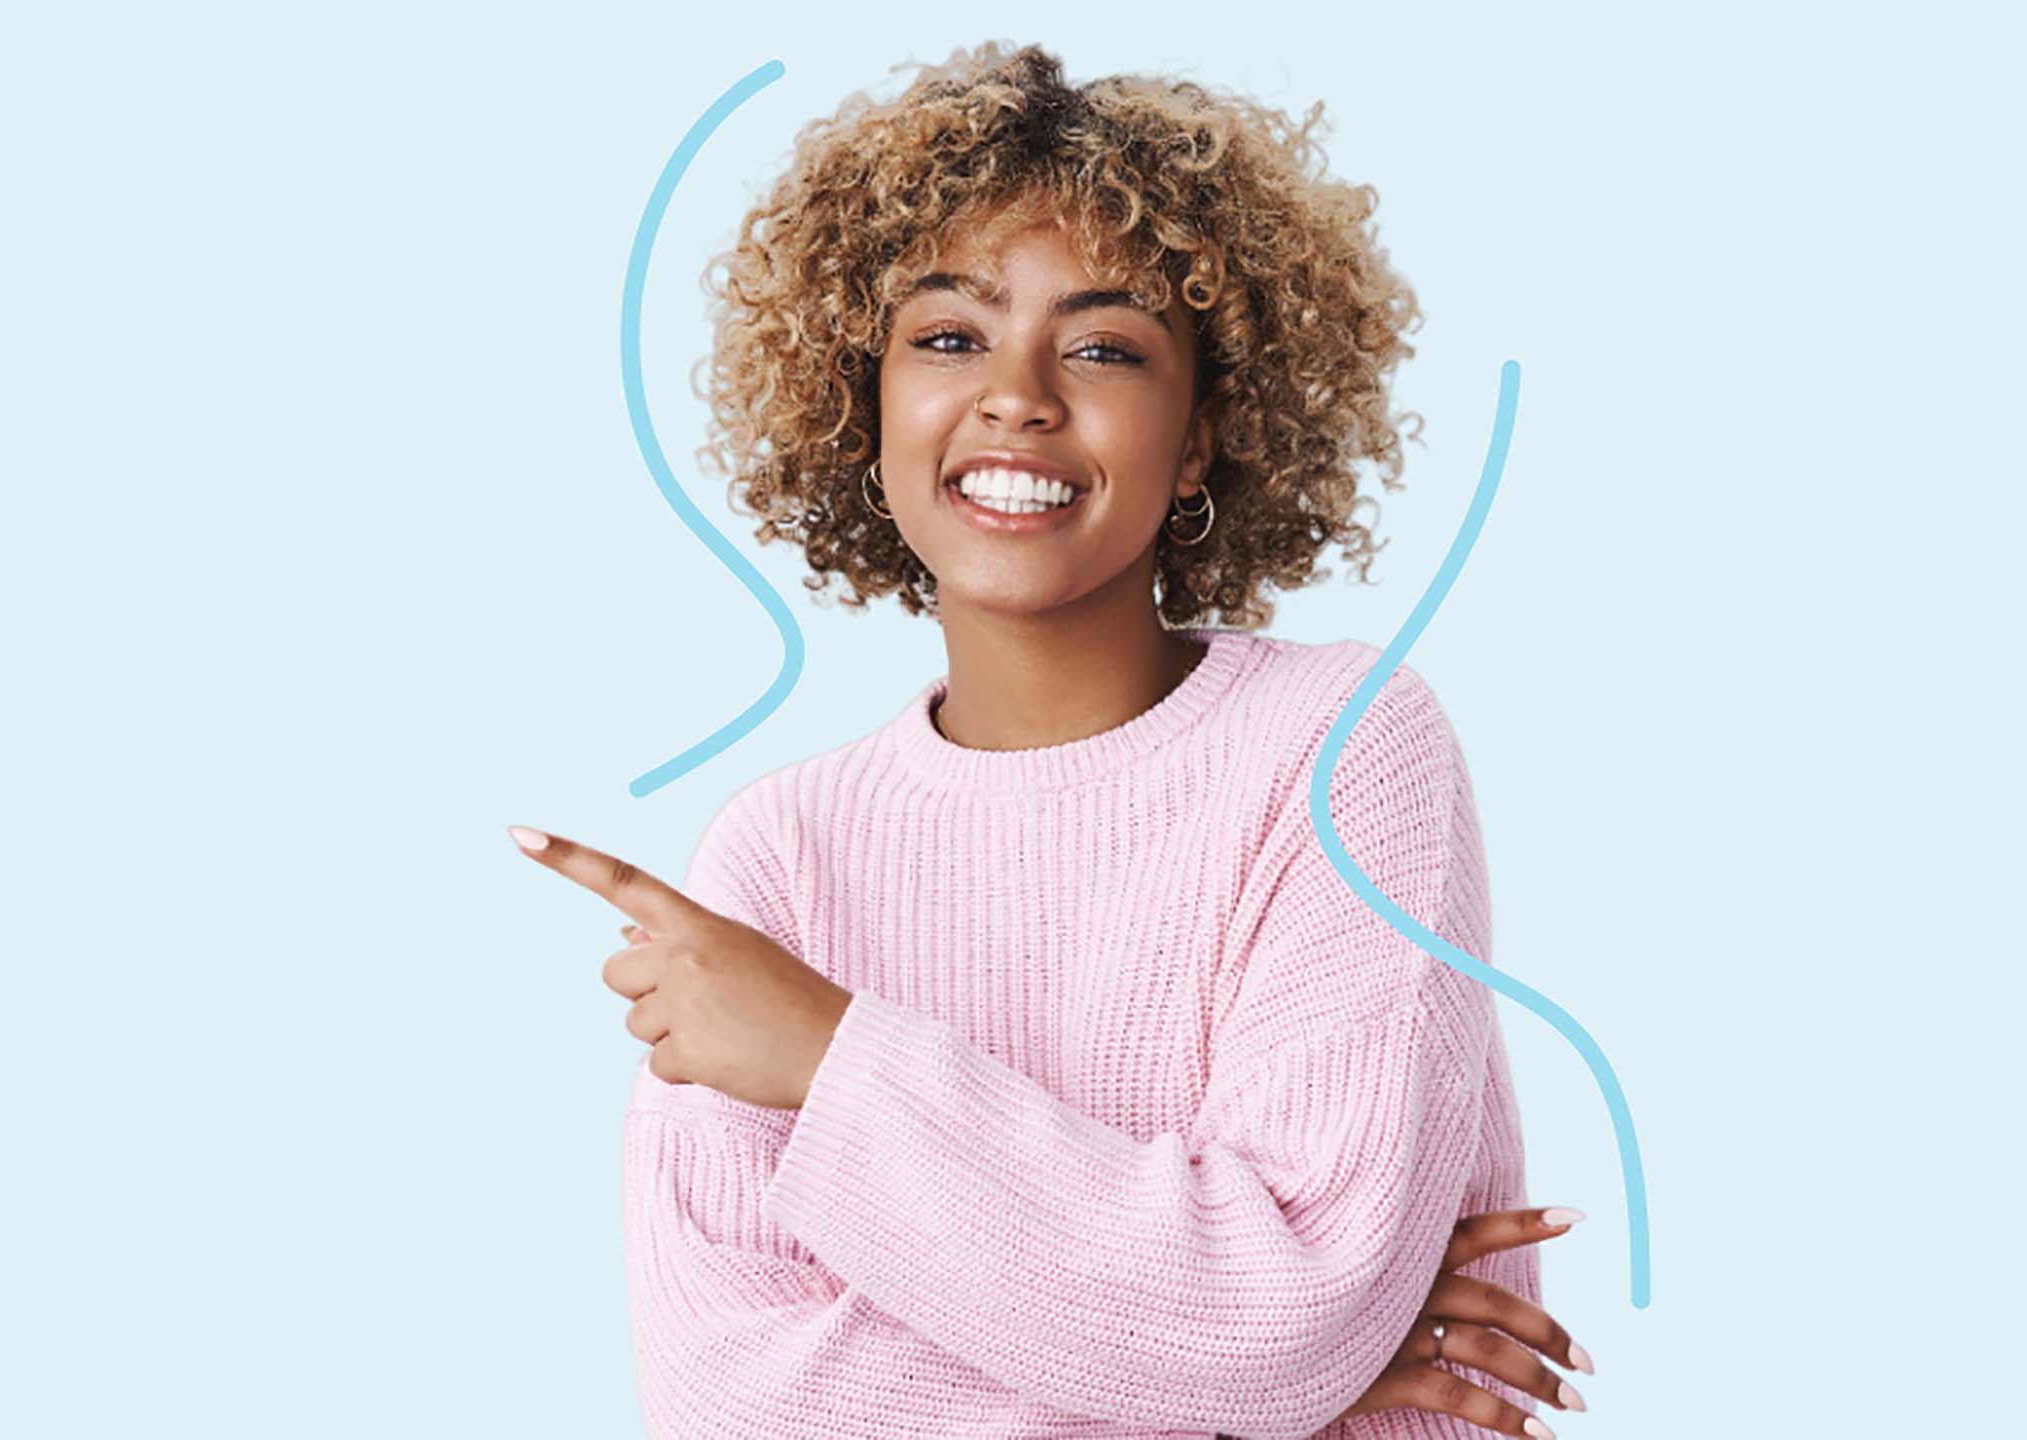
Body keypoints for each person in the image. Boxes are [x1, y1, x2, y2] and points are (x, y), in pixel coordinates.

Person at [617, 40, 1592, 1438]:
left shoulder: (1342, 749)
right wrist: (1243, 1378)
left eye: (1103, 346)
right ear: (865, 400)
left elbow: (1286, 1320)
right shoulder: (779, 858)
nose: (1016, 393)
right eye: (949, 336)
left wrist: (831, 1056)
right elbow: (734, 1403)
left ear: (1201, 435)